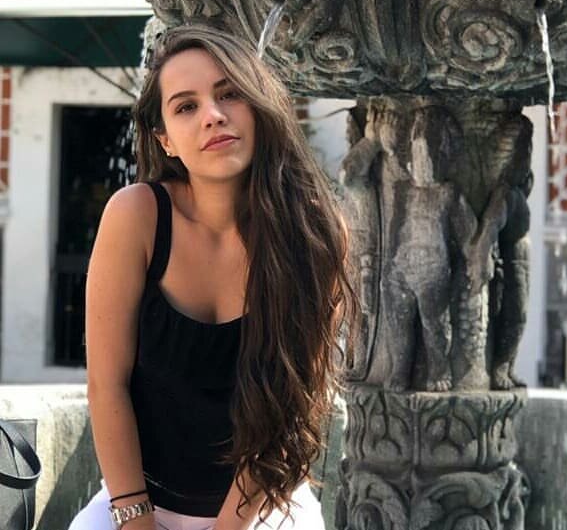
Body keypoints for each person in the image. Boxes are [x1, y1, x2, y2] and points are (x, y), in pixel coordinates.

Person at [69, 26, 354, 530]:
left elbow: (293, 411)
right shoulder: (137, 216)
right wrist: (135, 520)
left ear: (260, 105)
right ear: (165, 140)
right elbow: (106, 386)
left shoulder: (313, 234)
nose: (213, 115)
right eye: (186, 106)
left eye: (230, 94)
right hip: (136, 503)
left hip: (261, 506)